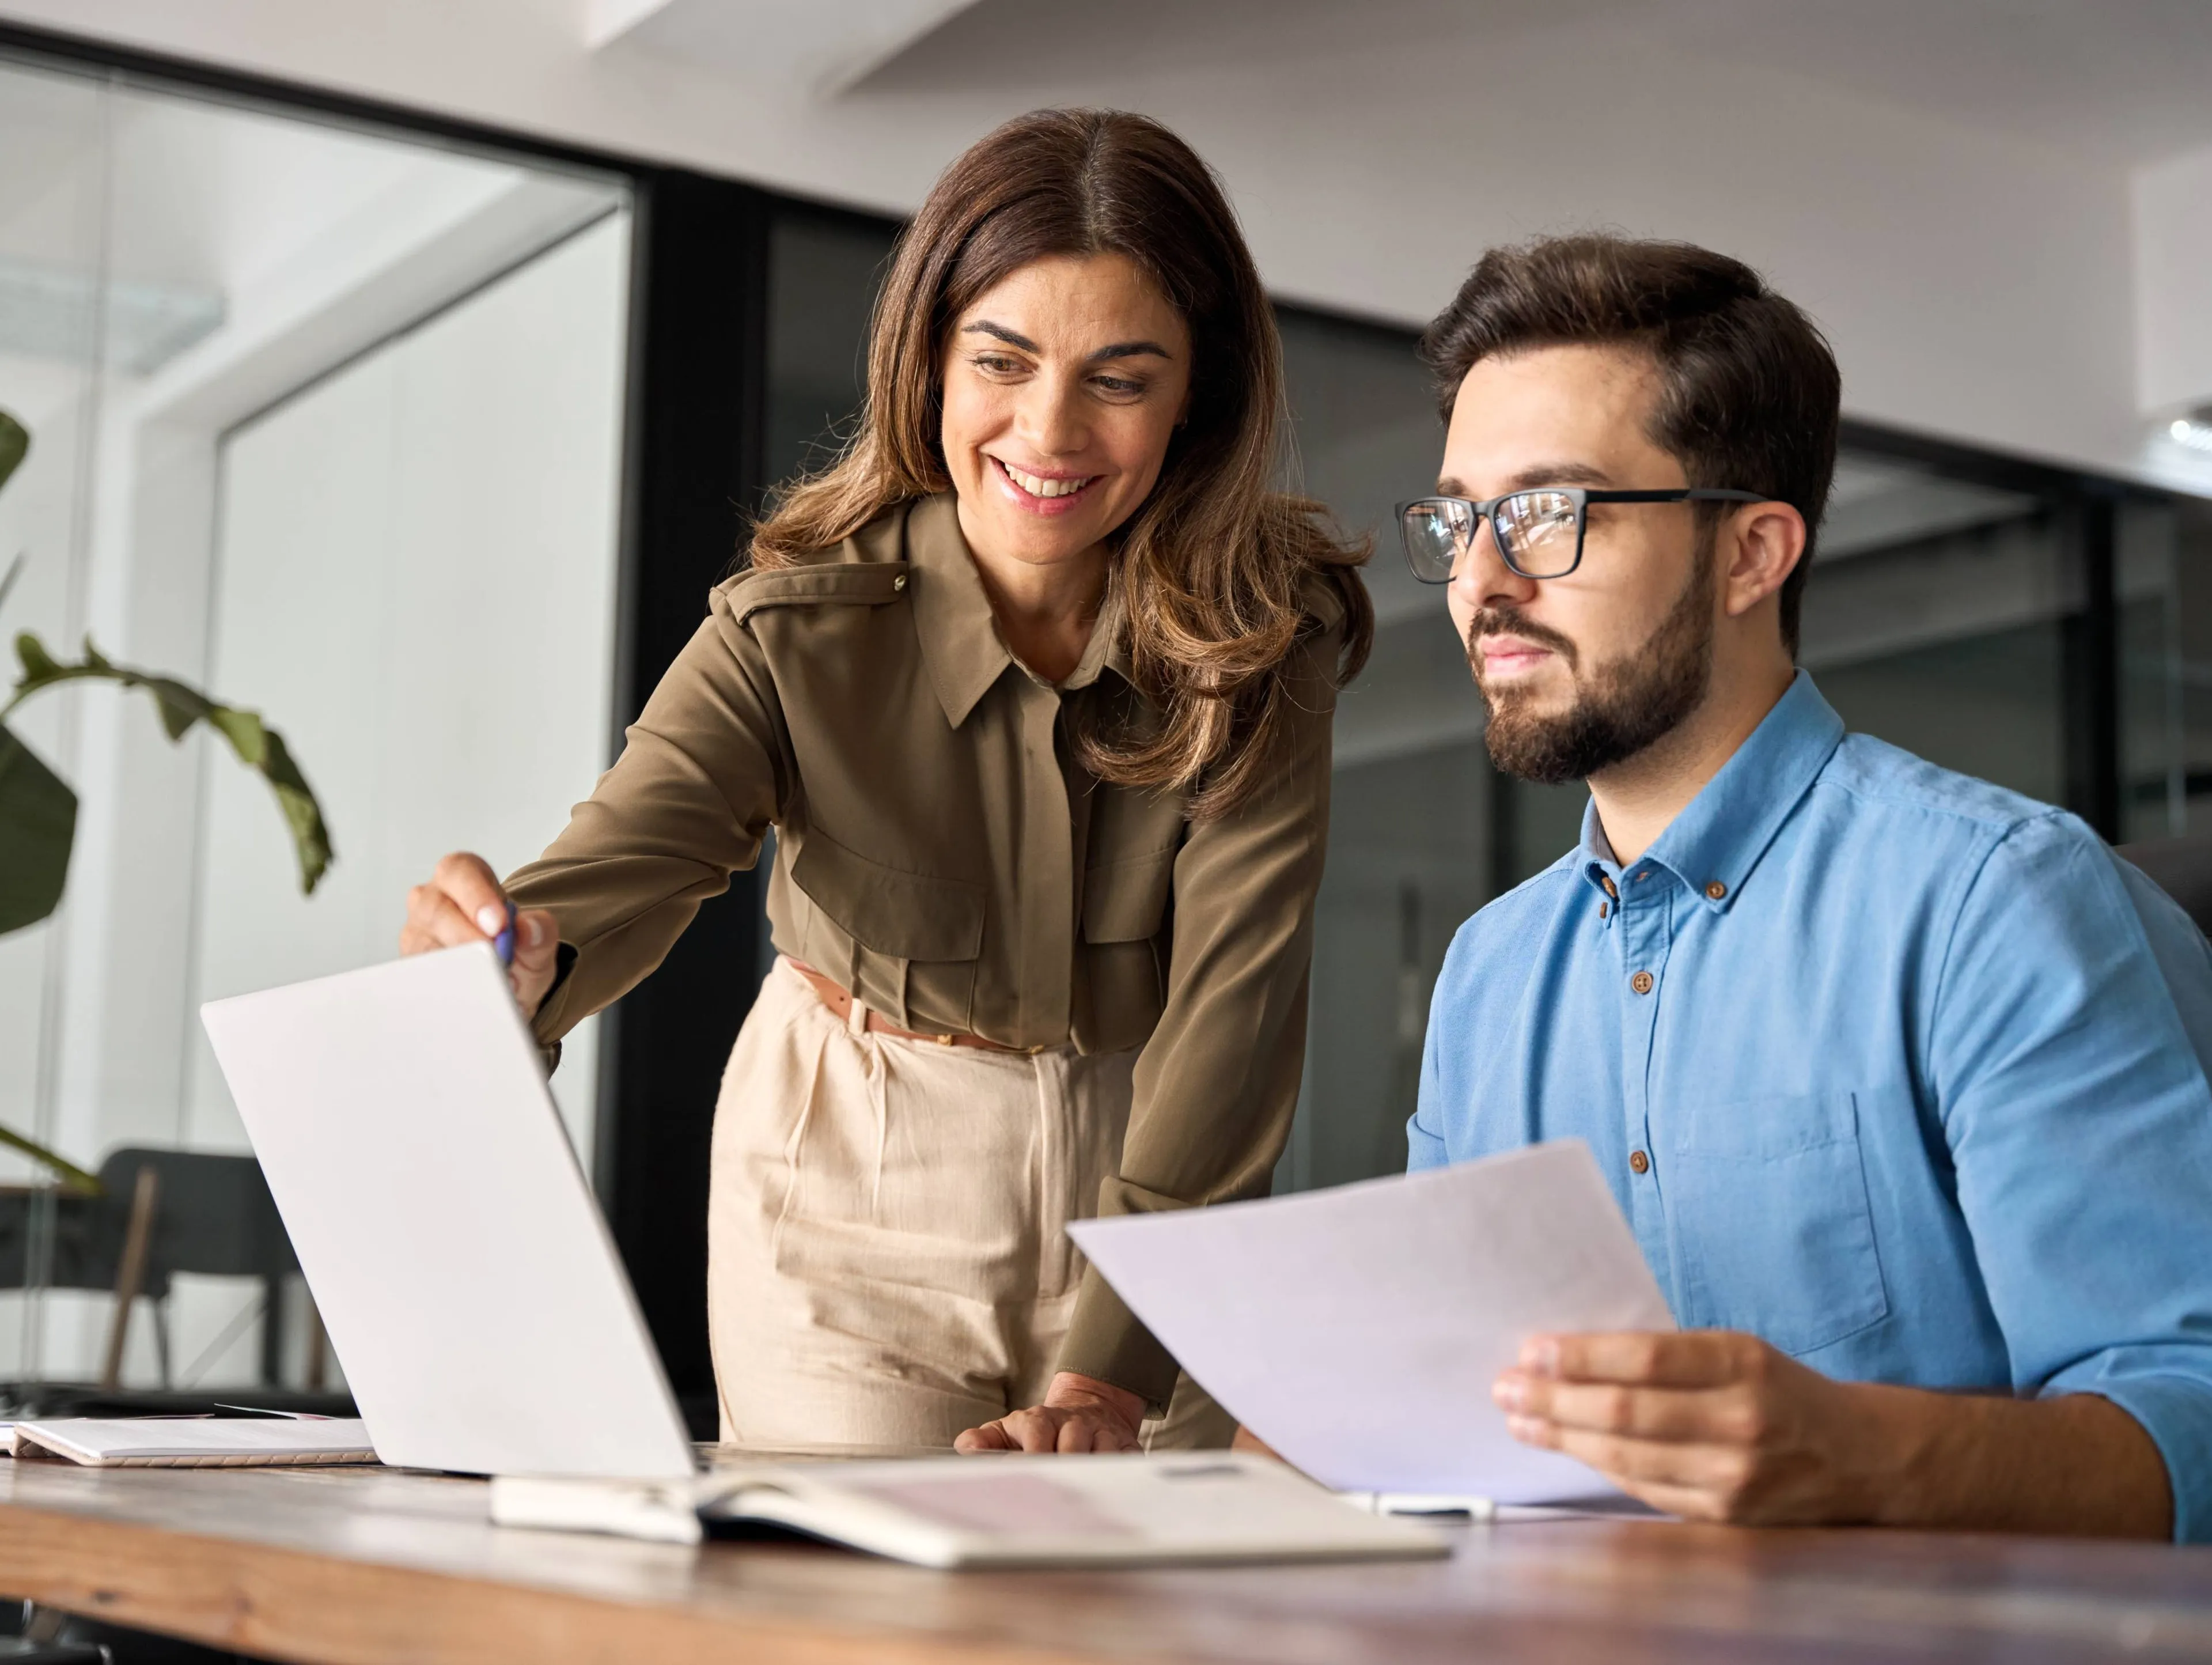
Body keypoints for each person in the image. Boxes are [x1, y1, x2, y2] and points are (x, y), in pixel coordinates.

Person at [399, 109, 1370, 1455]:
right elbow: (622, 864)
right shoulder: (793, 630)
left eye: (1122, 377)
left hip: (1162, 1174)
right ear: (928, 362)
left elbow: (1237, 1008)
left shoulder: (1268, 634)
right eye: (1003, 359)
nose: (1051, 427)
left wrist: (1110, 1373)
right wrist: (504, 959)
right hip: (853, 1175)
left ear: (1196, 392)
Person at [1399, 234, 2212, 1539]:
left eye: (1548, 514)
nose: (1481, 581)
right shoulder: (1487, 978)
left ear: (1752, 555)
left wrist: (1870, 1458)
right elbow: (1441, 1404)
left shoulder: (1999, 903)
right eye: (1459, 518)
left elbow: (2193, 1414)